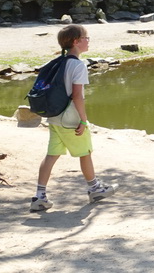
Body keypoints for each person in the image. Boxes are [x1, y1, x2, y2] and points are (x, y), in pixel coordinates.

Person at [29, 25, 117, 212]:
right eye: (86, 37)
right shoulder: (77, 65)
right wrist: (83, 120)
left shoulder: (59, 62)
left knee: (51, 155)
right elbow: (77, 96)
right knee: (85, 152)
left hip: (54, 116)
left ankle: (39, 196)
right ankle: (94, 188)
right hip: (70, 118)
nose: (88, 40)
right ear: (76, 41)